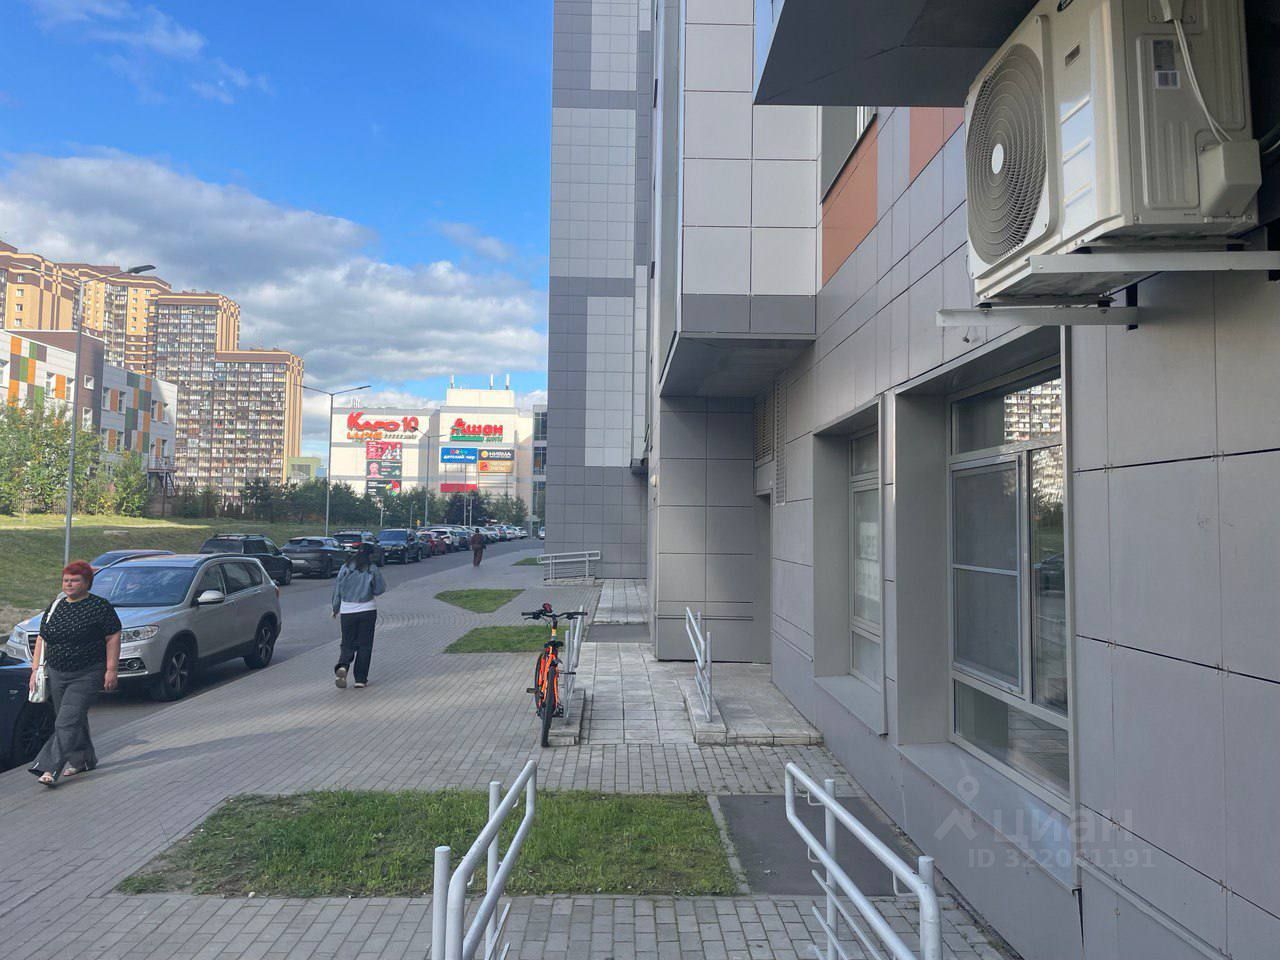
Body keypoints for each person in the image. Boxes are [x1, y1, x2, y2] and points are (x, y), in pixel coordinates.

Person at [28, 560, 121, 788]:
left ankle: (50, 768)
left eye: (75, 580)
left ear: (87, 583)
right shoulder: (56, 606)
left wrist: (111, 669)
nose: (69, 584)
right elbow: (42, 638)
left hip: (87, 672)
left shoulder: (99, 606)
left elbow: (113, 636)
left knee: (66, 720)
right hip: (57, 672)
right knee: (71, 718)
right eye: (66, 580)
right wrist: (35, 670)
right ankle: (84, 760)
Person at [331, 542, 386, 689]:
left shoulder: (345, 567)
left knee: (347, 642)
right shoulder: (371, 568)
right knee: (365, 645)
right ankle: (360, 679)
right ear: (370, 555)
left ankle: (343, 666)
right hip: (367, 610)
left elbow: (338, 590)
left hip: (347, 610)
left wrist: (335, 608)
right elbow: (380, 589)